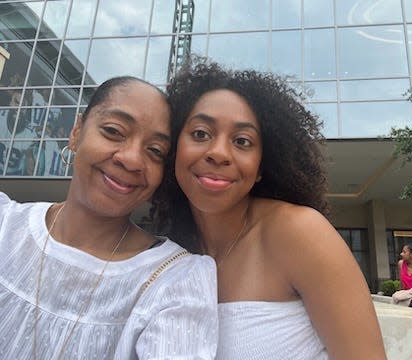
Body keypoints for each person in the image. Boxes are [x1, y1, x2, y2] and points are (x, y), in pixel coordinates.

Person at [157, 58, 387, 359]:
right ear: (175, 147)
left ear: (262, 166)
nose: (218, 153)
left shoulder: (299, 231)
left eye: (242, 141)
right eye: (201, 134)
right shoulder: (170, 253)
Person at [0, 76, 218, 359]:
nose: (131, 159)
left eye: (155, 151)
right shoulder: (5, 226)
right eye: (114, 131)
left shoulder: (175, 281)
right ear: (76, 131)